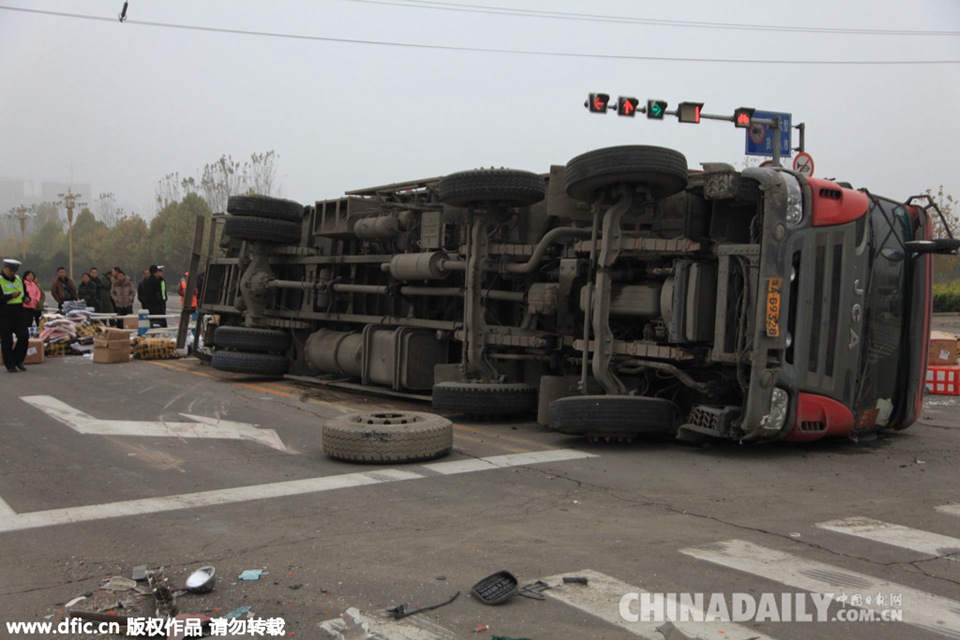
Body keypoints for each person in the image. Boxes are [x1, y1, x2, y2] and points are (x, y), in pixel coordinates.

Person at [0, 258, 29, 372]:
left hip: (19, 313)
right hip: (4, 314)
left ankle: (18, 360)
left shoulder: (19, 279)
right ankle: (10, 364)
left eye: (15, 271)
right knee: (7, 341)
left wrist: (27, 298)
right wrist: (11, 296)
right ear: (5, 268)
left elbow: (25, 294)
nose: (13, 273)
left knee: (24, 336)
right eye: (11, 270)